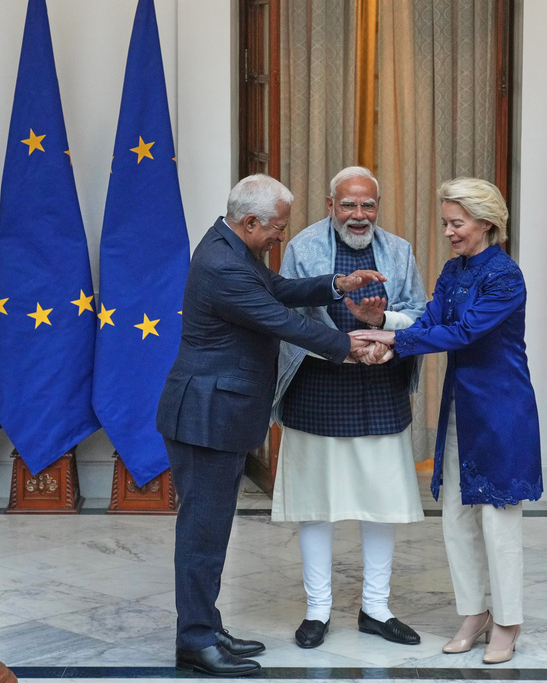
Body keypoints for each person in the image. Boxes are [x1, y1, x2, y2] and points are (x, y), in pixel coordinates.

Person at [156, 174, 383, 677]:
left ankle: (207, 627)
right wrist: (350, 346)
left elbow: (277, 289)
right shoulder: (222, 265)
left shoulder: (232, 244)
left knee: (210, 532)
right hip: (206, 416)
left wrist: (336, 283)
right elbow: (281, 319)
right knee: (202, 534)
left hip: (217, 413)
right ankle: (195, 640)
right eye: (278, 228)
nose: (282, 235)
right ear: (251, 221)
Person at [351, 177, 543, 665]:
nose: (450, 232)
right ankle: (473, 613)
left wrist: (392, 345)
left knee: (499, 522)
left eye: (457, 223)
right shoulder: (453, 270)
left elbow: (462, 331)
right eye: (446, 223)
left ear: (486, 222)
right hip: (460, 407)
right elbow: (428, 319)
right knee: (457, 518)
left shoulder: (505, 276)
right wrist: (381, 330)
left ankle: (508, 621)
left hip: (500, 411)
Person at [271, 166, 428, 649]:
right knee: (315, 504)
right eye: (348, 205)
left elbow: (420, 313)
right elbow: (289, 316)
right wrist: (344, 345)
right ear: (330, 205)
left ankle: (375, 609)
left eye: (368, 205)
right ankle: (317, 611)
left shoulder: (398, 250)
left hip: (380, 387)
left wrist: (383, 330)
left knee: (381, 502)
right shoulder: (302, 247)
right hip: (317, 386)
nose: (358, 215)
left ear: (377, 208)